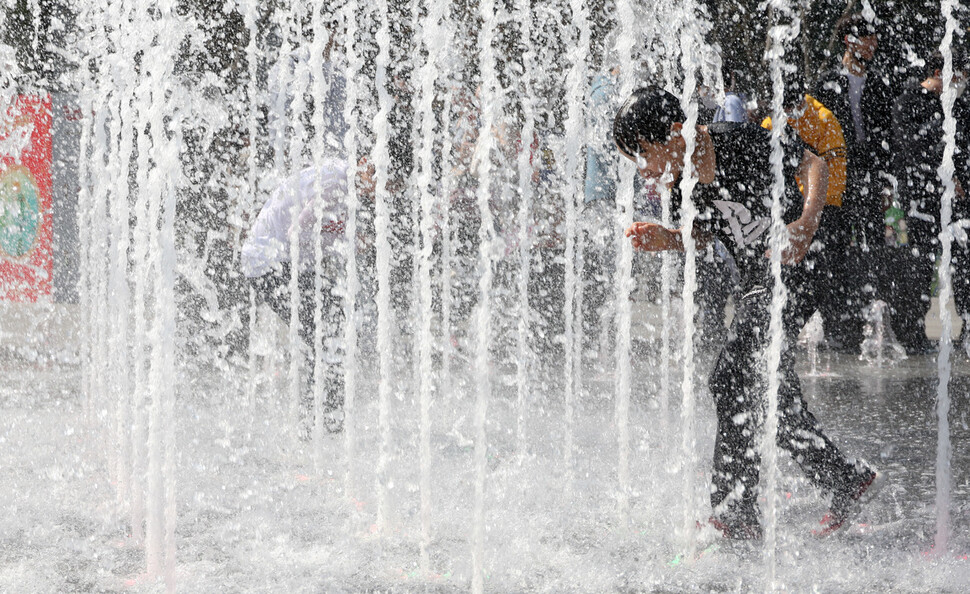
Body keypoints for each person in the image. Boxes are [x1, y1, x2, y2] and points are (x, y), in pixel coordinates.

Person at [616, 87, 882, 538]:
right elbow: (704, 233)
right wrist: (668, 237)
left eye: (643, 152)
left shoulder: (737, 140)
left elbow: (813, 160)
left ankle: (735, 512)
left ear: (674, 132)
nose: (644, 168)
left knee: (731, 376)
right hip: (759, 280)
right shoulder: (684, 183)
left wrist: (806, 222)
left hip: (802, 265)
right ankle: (844, 478)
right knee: (770, 391)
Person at [241, 157, 374, 436]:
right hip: (269, 261)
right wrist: (345, 236)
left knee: (330, 325)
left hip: (283, 262)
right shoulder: (337, 182)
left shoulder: (346, 183)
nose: (380, 189)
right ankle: (318, 419)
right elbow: (297, 230)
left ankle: (323, 417)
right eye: (381, 179)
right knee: (326, 327)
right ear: (365, 163)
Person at [811, 12, 898, 352]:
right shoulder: (826, 82)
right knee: (832, 247)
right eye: (868, 38)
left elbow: (886, 138)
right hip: (835, 177)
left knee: (872, 244)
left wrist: (886, 184)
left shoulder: (879, 84)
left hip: (867, 177)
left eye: (876, 39)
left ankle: (871, 317)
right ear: (850, 42)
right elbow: (815, 135)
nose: (874, 45)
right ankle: (836, 322)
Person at [762, 71, 855, 349]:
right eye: (784, 108)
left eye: (792, 106)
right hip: (787, 212)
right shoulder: (771, 122)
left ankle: (837, 331)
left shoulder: (824, 119)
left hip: (825, 211)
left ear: (801, 99)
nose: (789, 113)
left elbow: (834, 175)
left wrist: (813, 215)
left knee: (827, 275)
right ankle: (785, 328)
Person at [891, 51, 970, 350]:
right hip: (921, 202)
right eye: (957, 74)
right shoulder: (908, 102)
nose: (961, 81)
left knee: (962, 266)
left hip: (957, 204)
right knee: (918, 266)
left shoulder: (958, 107)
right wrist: (945, 173)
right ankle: (911, 337)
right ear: (938, 71)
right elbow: (911, 150)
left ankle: (965, 331)